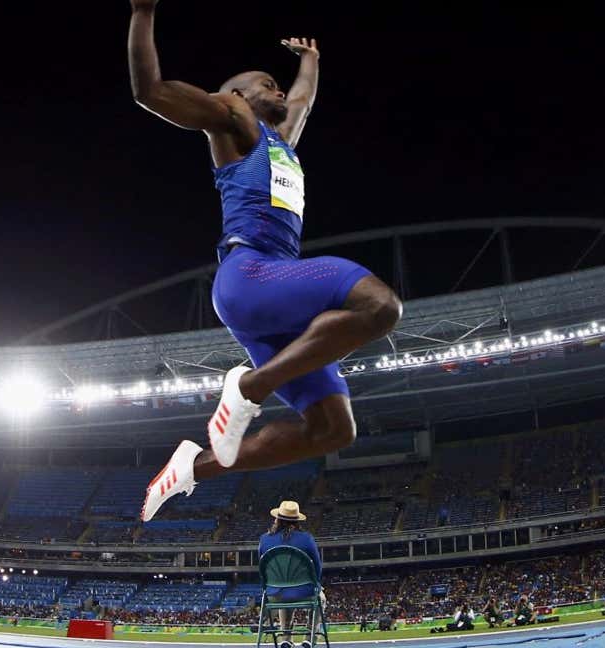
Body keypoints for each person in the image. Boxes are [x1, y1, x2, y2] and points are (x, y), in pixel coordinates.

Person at [127, 0, 403, 521]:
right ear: (237, 96)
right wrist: (143, 11)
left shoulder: (281, 142)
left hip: (273, 305)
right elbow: (151, 92)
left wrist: (311, 59)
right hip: (251, 275)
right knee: (380, 307)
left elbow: (302, 100)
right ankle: (249, 386)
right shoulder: (233, 119)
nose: (279, 90)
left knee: (334, 431)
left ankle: (190, 469)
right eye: (266, 82)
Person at [259, 501, 325, 648]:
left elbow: (263, 571)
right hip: (305, 592)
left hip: (275, 594)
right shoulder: (306, 538)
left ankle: (286, 639)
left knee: (285, 594)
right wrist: (316, 585)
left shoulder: (264, 540)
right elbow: (318, 568)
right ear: (297, 521)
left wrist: (269, 587)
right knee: (321, 598)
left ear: (277, 519)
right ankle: (309, 638)